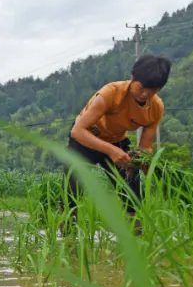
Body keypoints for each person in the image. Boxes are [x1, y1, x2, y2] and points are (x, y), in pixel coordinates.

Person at [66, 54, 171, 227]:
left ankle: (134, 230)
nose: (145, 94)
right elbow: (77, 131)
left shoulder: (156, 108)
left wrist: (146, 164)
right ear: (132, 78)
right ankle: (68, 227)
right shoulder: (110, 94)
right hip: (86, 138)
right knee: (73, 183)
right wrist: (111, 151)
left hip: (117, 141)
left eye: (152, 91)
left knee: (131, 184)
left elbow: (145, 147)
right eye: (142, 88)